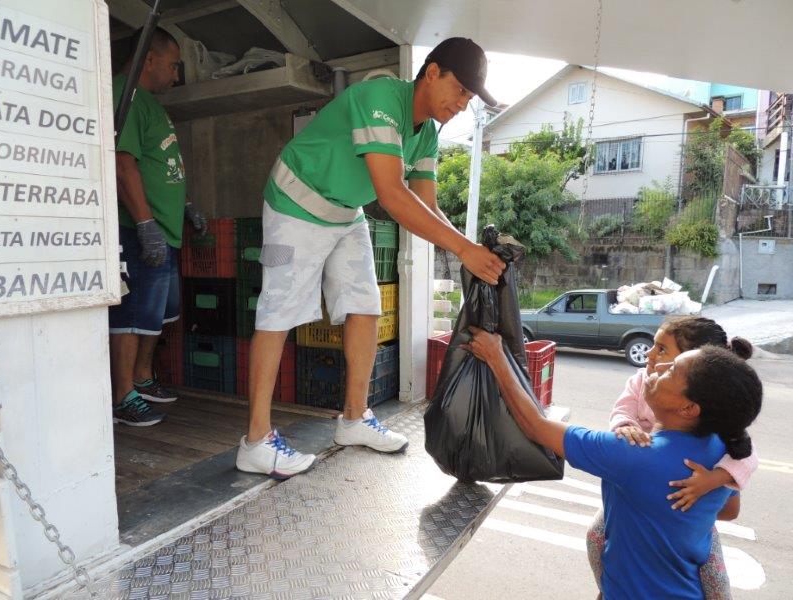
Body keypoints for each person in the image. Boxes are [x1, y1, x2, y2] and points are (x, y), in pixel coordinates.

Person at [235, 38, 506, 478]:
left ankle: (354, 419)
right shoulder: (381, 98)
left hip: (345, 212)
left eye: (469, 98)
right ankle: (256, 442)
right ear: (432, 72)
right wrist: (463, 249)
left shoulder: (427, 134)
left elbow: (428, 206)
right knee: (278, 312)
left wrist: (468, 249)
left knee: (364, 305)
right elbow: (393, 196)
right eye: (459, 90)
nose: (461, 103)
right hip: (295, 201)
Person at [464, 325, 762, 599]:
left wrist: (495, 356)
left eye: (672, 371)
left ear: (688, 408)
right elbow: (729, 510)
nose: (658, 366)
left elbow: (534, 425)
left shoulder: (634, 454)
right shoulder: (724, 451)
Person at [588, 317, 758, 599]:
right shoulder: (640, 381)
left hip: (689, 520)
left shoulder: (715, 413)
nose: (650, 355)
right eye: (653, 346)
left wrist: (711, 481)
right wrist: (624, 428)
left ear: (695, 368)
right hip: (633, 504)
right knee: (596, 537)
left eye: (663, 350)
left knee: (715, 580)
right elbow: (621, 411)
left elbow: (746, 457)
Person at [110, 28, 207, 426]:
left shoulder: (150, 104)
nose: (177, 75)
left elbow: (157, 164)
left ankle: (142, 378)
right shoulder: (127, 94)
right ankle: (121, 395)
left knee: (158, 314)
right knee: (133, 314)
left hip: (165, 230)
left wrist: (183, 206)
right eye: (174, 65)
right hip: (137, 230)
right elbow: (123, 162)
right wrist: (145, 221)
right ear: (149, 58)